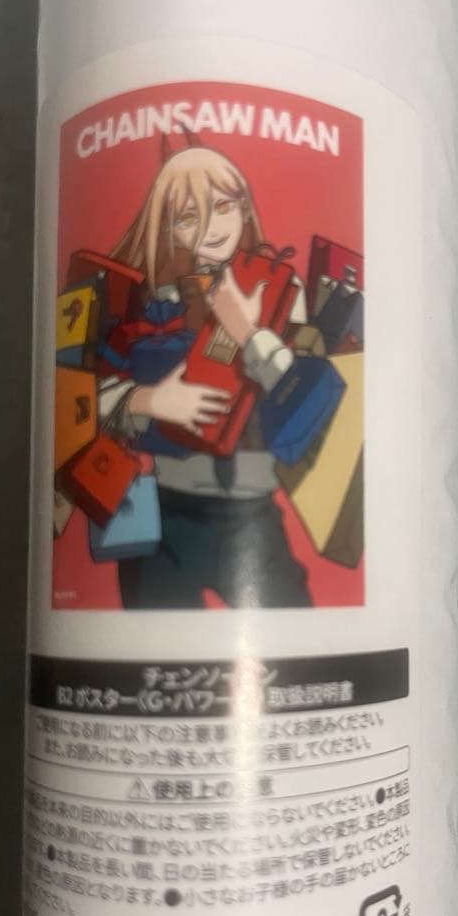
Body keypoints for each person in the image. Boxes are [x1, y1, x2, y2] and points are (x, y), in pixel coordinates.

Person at [96, 143, 312, 610]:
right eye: (189, 216)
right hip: (167, 508)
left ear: (244, 208)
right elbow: (80, 400)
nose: (212, 228)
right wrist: (148, 401)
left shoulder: (281, 290)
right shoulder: (149, 301)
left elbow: (305, 401)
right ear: (168, 227)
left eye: (223, 207)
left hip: (255, 512)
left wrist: (246, 331)